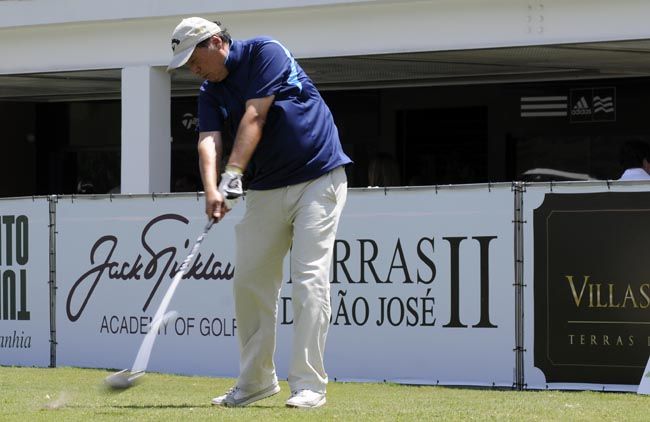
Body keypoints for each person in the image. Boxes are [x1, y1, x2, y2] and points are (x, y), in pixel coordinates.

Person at [167, 17, 352, 409]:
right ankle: (255, 382)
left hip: (318, 177)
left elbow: (255, 115)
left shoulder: (265, 51)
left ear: (215, 42)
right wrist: (212, 188)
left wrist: (233, 173)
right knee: (249, 282)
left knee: (309, 281)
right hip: (266, 187)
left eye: (194, 59)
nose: (192, 68)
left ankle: (309, 384)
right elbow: (208, 141)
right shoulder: (209, 91)